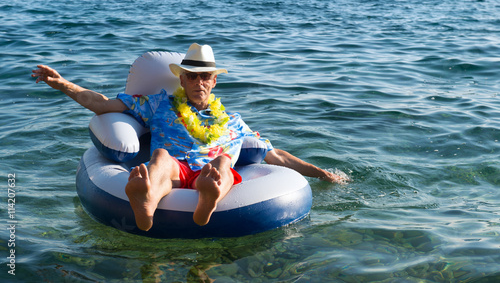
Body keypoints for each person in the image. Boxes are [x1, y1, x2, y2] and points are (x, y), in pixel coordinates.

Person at [32, 43, 350, 231]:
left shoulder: (232, 122)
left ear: (214, 82)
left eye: (205, 77)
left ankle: (207, 200)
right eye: (192, 76)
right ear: (181, 79)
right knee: (160, 157)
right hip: (175, 166)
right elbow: (101, 104)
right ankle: (145, 204)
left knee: (224, 163)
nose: (198, 81)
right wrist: (64, 84)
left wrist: (321, 173)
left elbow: (275, 155)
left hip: (213, 170)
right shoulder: (157, 104)